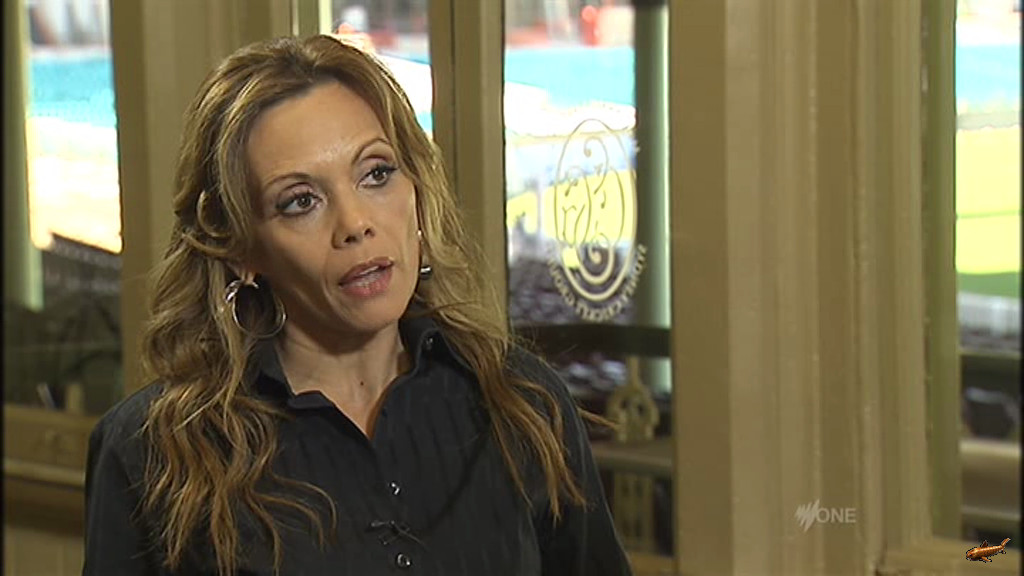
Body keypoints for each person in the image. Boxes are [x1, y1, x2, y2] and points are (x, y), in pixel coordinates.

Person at [83, 34, 632, 576]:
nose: (355, 224)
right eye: (300, 201)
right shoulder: (152, 451)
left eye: (376, 174)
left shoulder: (523, 402)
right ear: (242, 249)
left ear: (417, 190)